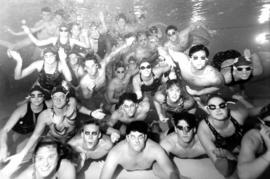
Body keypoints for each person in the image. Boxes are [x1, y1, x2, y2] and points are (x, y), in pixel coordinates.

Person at [99, 121, 180, 179]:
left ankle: (155, 125)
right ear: (127, 138)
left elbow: (172, 172)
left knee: (157, 135)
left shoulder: (156, 149)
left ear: (145, 137)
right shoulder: (116, 153)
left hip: (152, 141)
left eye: (140, 137)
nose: (136, 141)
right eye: (133, 137)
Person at [197, 94, 248, 178]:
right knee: (227, 169)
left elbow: (259, 112)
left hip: (241, 144)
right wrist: (230, 156)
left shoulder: (238, 115)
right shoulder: (204, 129)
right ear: (208, 110)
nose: (218, 110)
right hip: (227, 151)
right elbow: (222, 168)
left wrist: (241, 100)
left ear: (227, 107)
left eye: (221, 105)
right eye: (213, 107)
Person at [0, 85, 47, 163]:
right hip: (18, 127)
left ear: (43, 97)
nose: (36, 99)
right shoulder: (22, 109)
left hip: (32, 130)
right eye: (33, 96)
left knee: (33, 150)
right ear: (30, 98)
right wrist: (3, 147)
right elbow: (5, 129)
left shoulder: (48, 106)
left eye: (39, 96)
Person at [0, 136, 76, 179]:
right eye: (40, 158)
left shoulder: (66, 166)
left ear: (59, 156)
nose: (45, 164)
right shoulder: (27, 176)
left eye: (51, 157)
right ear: (34, 159)